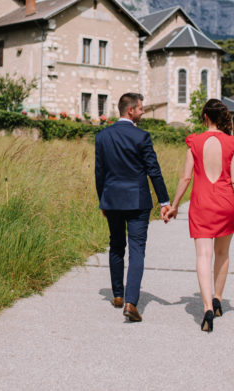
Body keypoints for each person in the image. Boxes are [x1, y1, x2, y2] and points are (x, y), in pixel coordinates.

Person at [165, 98, 234, 332]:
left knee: (203, 256)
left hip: (202, 204)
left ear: (205, 117)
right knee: (222, 254)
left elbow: (186, 178)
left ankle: (206, 309)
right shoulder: (233, 143)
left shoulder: (194, 141)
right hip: (226, 204)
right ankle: (218, 299)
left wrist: (173, 206)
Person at [95, 92, 171, 322]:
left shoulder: (102, 137)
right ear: (130, 110)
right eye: (141, 108)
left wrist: (103, 200)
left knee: (116, 245)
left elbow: (100, 173)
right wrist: (164, 201)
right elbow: (153, 171)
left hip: (113, 200)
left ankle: (117, 295)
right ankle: (131, 302)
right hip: (137, 201)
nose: (143, 111)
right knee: (137, 249)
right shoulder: (142, 137)